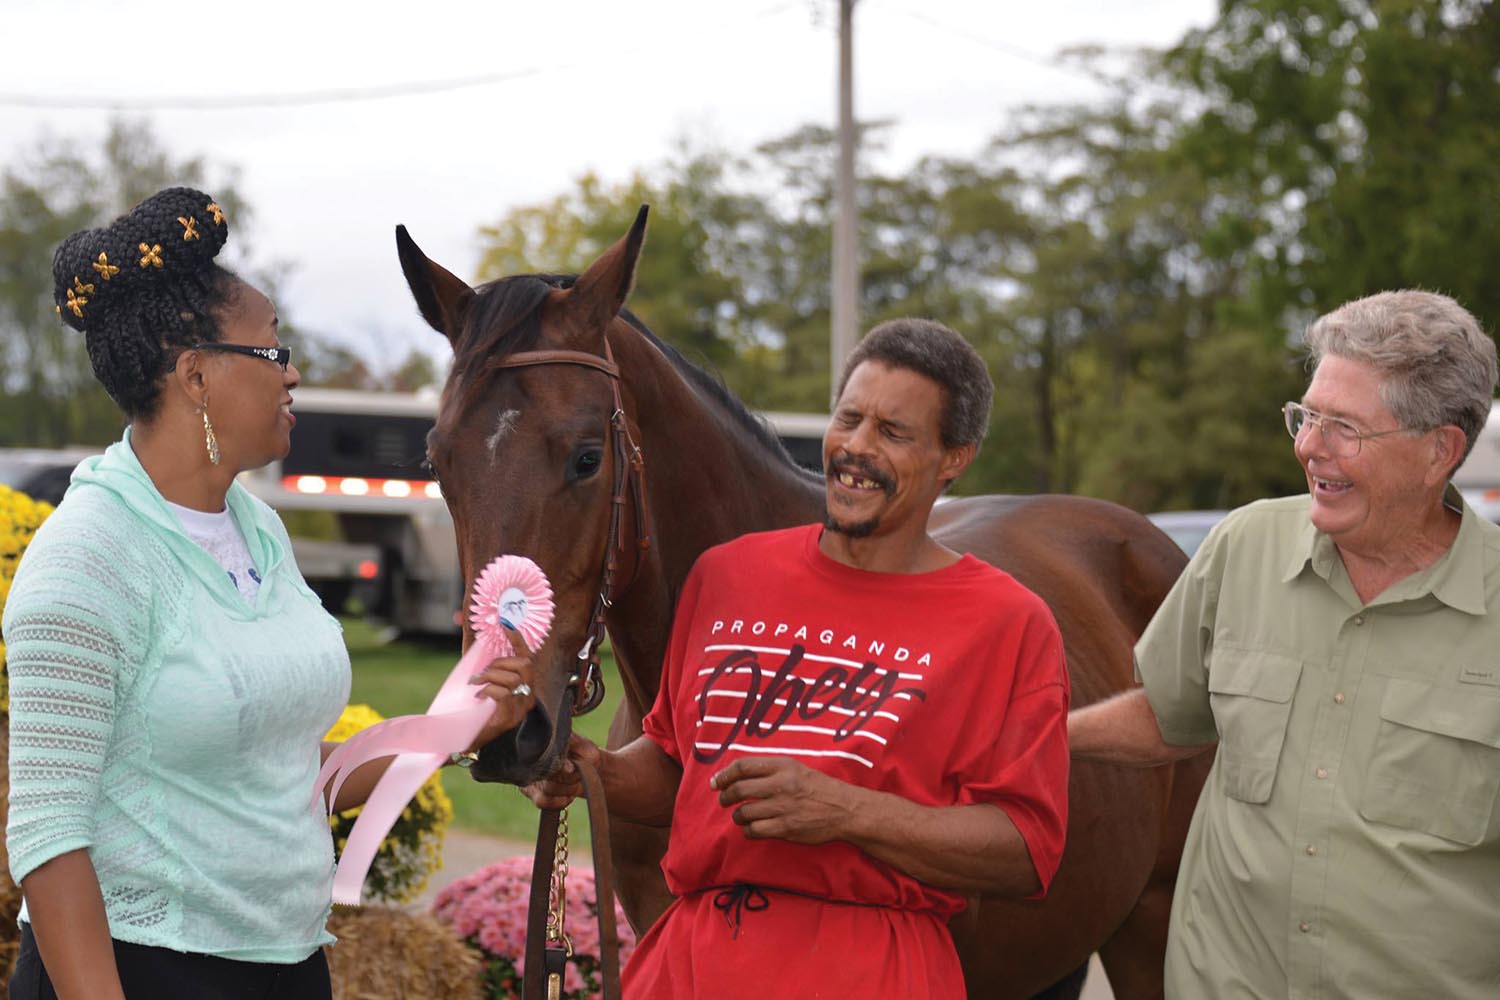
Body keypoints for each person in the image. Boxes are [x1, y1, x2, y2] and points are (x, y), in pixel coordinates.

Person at [3, 187, 534, 1000]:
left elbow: (283, 771)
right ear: (196, 376)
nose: (291, 375)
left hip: (287, 966)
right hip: (141, 969)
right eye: (273, 350)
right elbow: (47, 835)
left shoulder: (258, 530)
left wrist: (465, 727)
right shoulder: (87, 558)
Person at [526, 318, 1071, 998]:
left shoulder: (1007, 623)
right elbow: (678, 767)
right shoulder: (725, 575)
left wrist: (847, 813)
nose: (856, 449)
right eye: (850, 419)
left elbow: (1026, 849)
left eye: (893, 433)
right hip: (689, 962)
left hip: (868, 965)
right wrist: (596, 771)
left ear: (955, 456)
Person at [1069, 290, 1500, 999]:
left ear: (1438, 452)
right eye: (1308, 416)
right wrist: (1041, 737)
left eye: (1345, 428)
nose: (1308, 446)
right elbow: (1171, 717)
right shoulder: (1244, 546)